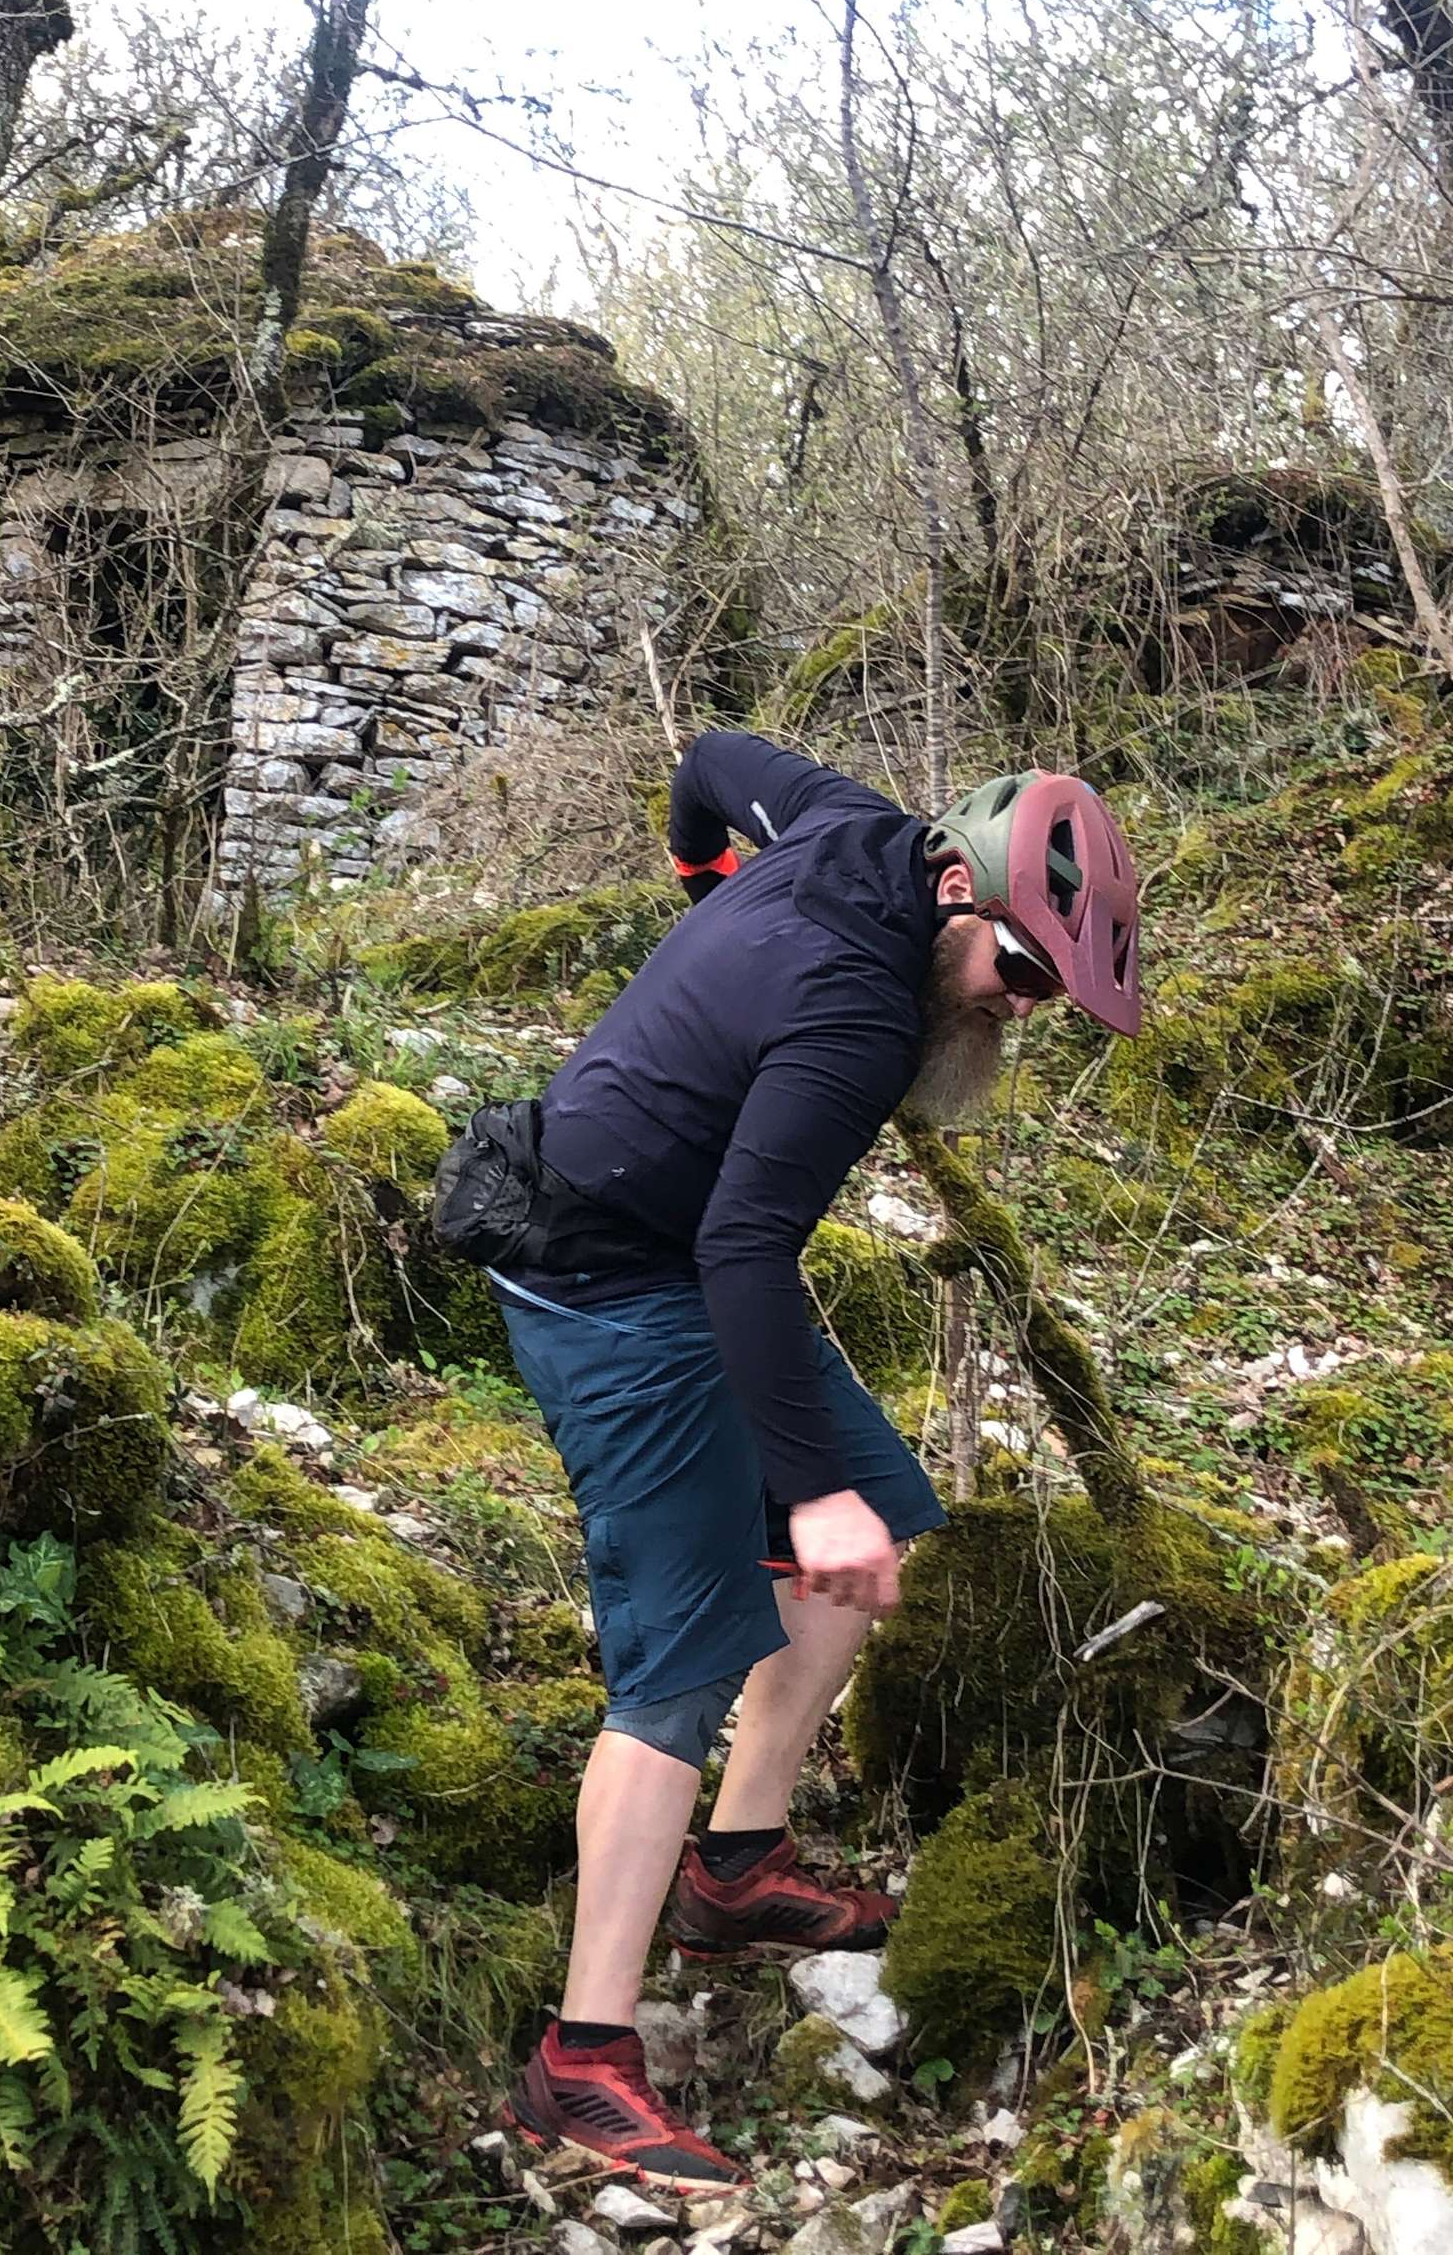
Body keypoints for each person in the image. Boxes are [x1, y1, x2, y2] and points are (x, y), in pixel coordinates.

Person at [449, 731, 1142, 2192]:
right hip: (605, 1281)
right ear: (956, 889)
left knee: (874, 1520)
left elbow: (710, 762)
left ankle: (736, 1869)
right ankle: (582, 2061)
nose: (1019, 1010)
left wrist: (702, 876)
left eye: (1046, 996)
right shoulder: (856, 1021)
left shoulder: (845, 823)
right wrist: (804, 1490)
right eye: (1020, 971)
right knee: (679, 1666)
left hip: (678, 1253)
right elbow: (748, 1250)